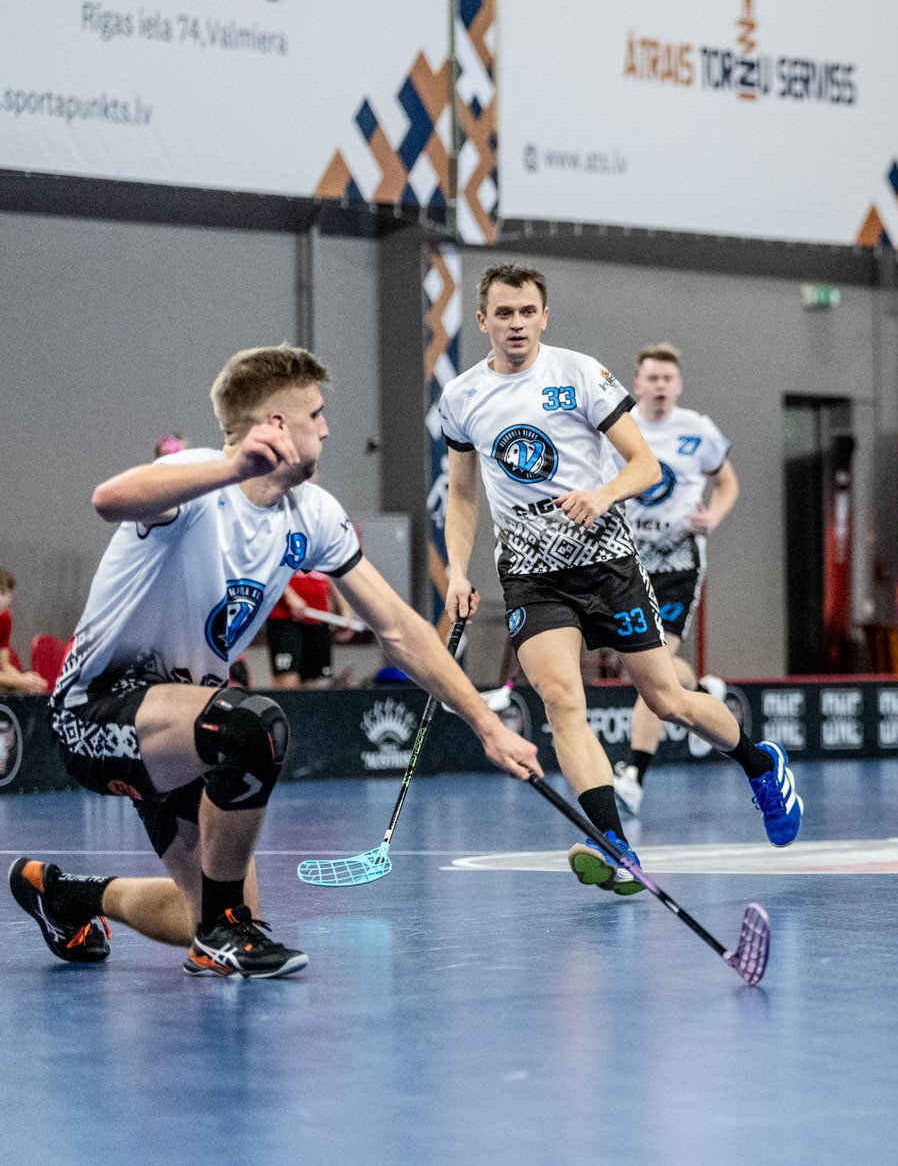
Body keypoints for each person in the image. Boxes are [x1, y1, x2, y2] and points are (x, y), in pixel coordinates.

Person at [9, 345, 543, 978]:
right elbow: (109, 499)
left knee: (206, 906)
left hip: (186, 723)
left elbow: (399, 628)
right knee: (252, 727)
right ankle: (223, 935)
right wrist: (230, 467)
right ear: (277, 424)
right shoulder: (198, 480)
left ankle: (67, 896)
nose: (327, 429)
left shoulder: (310, 514)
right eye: (315, 415)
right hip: (95, 712)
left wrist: (484, 723)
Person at [441, 265, 799, 895]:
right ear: (483, 320)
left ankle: (760, 763)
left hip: (607, 564)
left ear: (544, 316)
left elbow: (645, 465)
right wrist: (455, 571)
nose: (516, 324)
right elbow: (463, 497)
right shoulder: (463, 396)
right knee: (562, 701)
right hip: (531, 576)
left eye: (527, 312)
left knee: (666, 699)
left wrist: (602, 495)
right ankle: (613, 842)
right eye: (503, 313)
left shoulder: (580, 374)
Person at [607, 342, 738, 817]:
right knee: (639, 665)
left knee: (653, 666)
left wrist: (713, 517)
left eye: (667, 379)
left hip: (679, 564)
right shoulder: (621, 427)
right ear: (637, 384)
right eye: (652, 378)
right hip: (629, 563)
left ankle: (634, 775)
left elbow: (727, 482)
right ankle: (701, 692)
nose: (660, 386)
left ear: (678, 385)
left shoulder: (697, 429)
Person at [264, 570, 348, 688]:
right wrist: (289, 595)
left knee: (315, 682)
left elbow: (336, 571)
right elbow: (273, 568)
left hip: (319, 617)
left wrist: (344, 611)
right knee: (287, 680)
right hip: (286, 616)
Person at [0, 567, 50, 696]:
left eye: (8, 593)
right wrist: (21, 681)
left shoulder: (4, 618)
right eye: (2, 593)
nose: (7, 599)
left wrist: (30, 682)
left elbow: (4, 665)